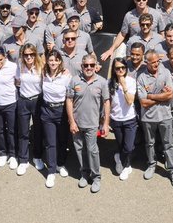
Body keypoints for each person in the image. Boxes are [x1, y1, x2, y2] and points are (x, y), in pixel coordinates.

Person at [137, 48, 173, 187]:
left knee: (168, 144)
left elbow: (170, 95)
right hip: (148, 117)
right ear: (147, 63)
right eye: (153, 62)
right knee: (150, 143)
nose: (156, 64)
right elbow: (143, 102)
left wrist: (150, 95)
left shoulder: (165, 72)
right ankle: (151, 165)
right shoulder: (141, 77)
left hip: (165, 116)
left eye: (158, 61)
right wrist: (160, 97)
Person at [68, 54, 108, 193]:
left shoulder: (102, 82)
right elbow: (69, 101)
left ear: (96, 66)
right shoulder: (74, 80)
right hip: (77, 123)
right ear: (82, 66)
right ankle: (84, 173)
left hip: (92, 123)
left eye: (92, 65)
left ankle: (96, 177)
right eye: (86, 65)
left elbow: (106, 102)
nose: (89, 68)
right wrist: (71, 121)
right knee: (79, 149)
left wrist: (106, 123)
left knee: (92, 150)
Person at [39, 49, 72, 187]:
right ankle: (51, 171)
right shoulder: (43, 73)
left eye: (55, 60)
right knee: (50, 142)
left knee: (62, 140)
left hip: (61, 110)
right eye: (50, 60)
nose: (53, 62)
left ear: (59, 61)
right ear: (47, 60)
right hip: (47, 110)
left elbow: (70, 96)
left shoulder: (66, 76)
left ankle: (60, 164)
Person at [14, 43, 42, 175]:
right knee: (23, 132)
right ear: (22, 55)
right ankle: (23, 160)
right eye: (26, 55)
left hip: (37, 101)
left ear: (35, 54)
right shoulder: (19, 65)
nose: (29, 57)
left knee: (37, 131)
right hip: (24, 100)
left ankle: (37, 157)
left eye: (31, 54)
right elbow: (17, 82)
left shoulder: (41, 66)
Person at [108, 57, 139, 179]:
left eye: (123, 67)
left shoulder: (130, 81)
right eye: (117, 68)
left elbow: (130, 101)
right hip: (116, 119)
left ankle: (121, 160)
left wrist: (124, 85)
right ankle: (126, 165)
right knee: (121, 145)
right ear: (114, 69)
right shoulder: (109, 83)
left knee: (129, 146)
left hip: (129, 119)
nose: (120, 70)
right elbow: (108, 102)